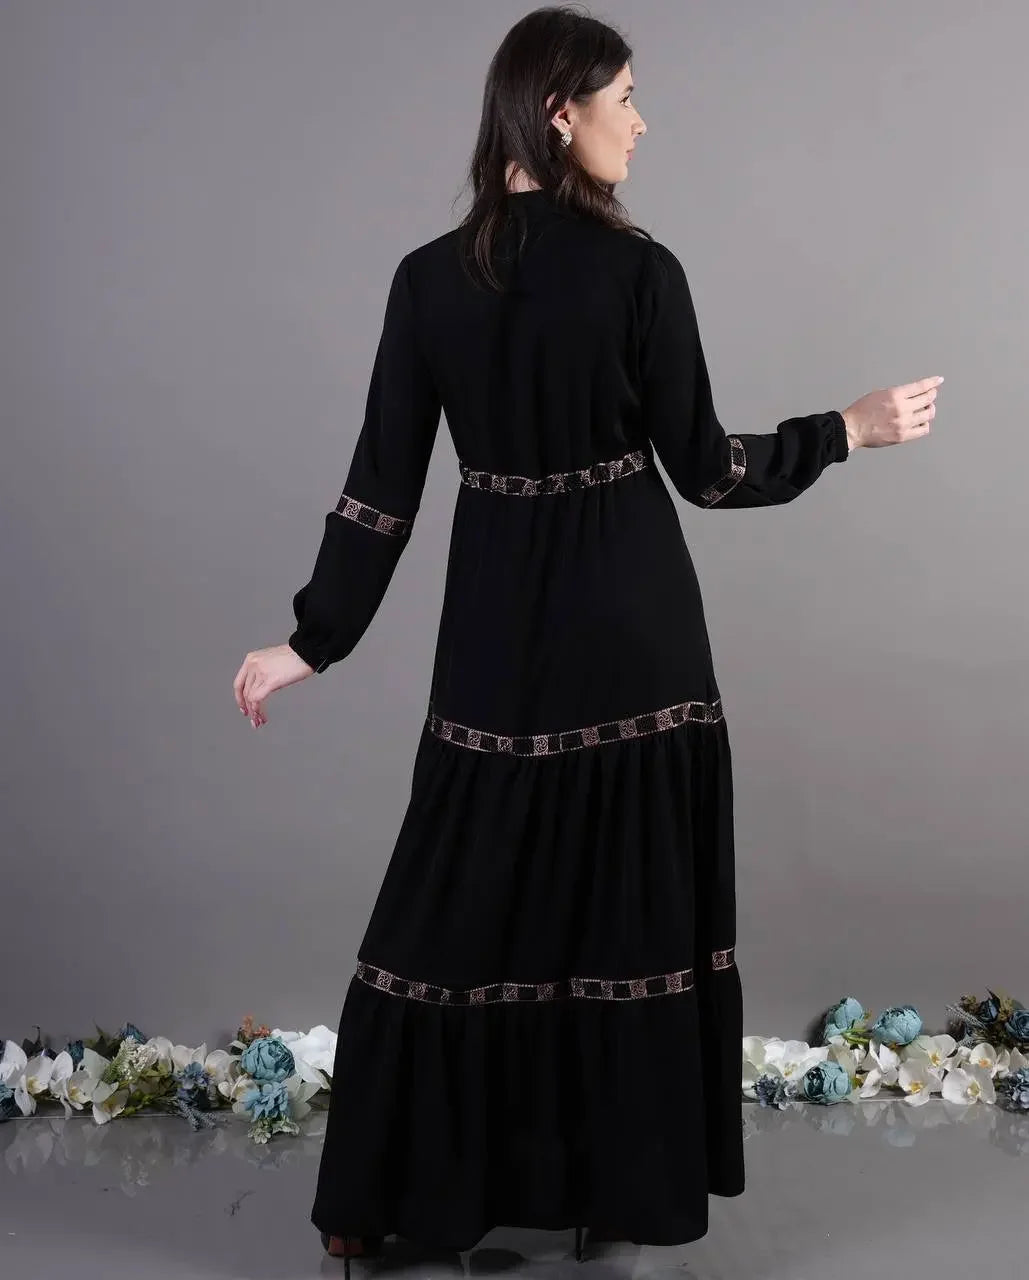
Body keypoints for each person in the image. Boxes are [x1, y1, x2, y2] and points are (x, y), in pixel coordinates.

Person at [232, 5, 940, 1265]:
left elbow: (379, 489)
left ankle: (377, 1203)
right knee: (625, 913)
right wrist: (846, 428)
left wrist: (311, 640)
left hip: (496, 632)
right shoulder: (638, 270)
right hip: (637, 633)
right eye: (626, 98)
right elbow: (708, 469)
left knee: (457, 902)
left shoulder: (427, 279)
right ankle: (617, 1195)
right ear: (559, 113)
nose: (642, 123)